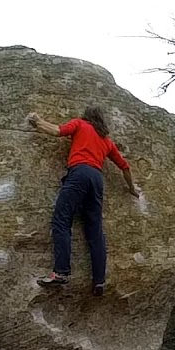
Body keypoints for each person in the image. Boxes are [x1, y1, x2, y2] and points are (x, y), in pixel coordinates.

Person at [26, 106, 142, 296]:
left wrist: (38, 122)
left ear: (86, 116)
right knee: (95, 231)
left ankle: (61, 272)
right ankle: (99, 281)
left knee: (61, 220)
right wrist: (131, 189)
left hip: (79, 173)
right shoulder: (106, 141)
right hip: (97, 179)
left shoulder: (80, 124)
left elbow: (58, 131)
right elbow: (125, 167)